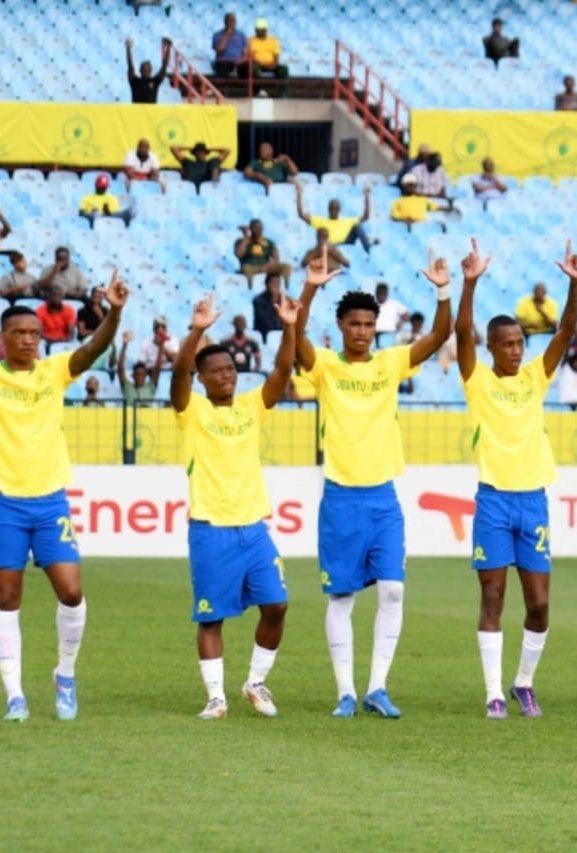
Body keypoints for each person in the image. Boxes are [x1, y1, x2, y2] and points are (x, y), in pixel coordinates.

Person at [0, 259, 128, 722]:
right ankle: (14, 696)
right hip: (6, 503)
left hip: (50, 501)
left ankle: (65, 674)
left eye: (34, 333)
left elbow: (92, 350)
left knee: (71, 591)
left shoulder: (55, 372)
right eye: (19, 333)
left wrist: (114, 314)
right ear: (3, 339)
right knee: (5, 598)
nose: (27, 339)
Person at [295, 243, 454, 719]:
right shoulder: (324, 365)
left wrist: (444, 288)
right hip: (341, 496)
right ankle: (345, 691)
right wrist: (310, 288)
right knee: (341, 596)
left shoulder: (391, 362)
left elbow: (443, 332)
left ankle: (377, 687)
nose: (362, 332)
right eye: (354, 325)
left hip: (383, 496)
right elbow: (293, 334)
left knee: (393, 590)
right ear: (340, 328)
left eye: (369, 324)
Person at [455, 242, 577, 718]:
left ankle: (523, 682)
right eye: (507, 344)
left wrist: (574, 283)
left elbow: (567, 331)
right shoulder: (477, 380)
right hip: (493, 500)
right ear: (491, 348)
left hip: (534, 500)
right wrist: (469, 283)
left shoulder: (534, 378)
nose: (515, 350)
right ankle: (492, 692)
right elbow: (462, 330)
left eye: (519, 344)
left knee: (541, 603)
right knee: (492, 595)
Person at [171, 277, 307, 719]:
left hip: (253, 528)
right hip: (210, 527)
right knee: (211, 617)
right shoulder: (192, 411)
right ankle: (216, 695)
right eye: (217, 370)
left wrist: (290, 327)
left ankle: (255, 681)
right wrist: (195, 332)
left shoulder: (251, 406)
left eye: (231, 369)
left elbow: (283, 373)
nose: (227, 375)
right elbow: (177, 377)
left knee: (278, 604)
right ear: (202, 377)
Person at [297, 184, 374, 252]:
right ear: (328, 209)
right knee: (323, 237)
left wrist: (367, 196)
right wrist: (299, 194)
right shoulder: (321, 221)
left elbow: (366, 217)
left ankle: (369, 251)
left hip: (345, 243)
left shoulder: (347, 220)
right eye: (332, 209)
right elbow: (301, 215)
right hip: (330, 245)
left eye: (336, 209)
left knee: (357, 226)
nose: (334, 211)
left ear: (339, 210)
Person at [125, 38, 170, 105]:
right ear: (140, 71)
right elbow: (130, 64)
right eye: (143, 69)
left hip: (151, 114)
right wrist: (128, 48)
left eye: (147, 70)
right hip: (136, 114)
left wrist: (168, 49)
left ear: (150, 70)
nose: (145, 71)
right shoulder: (135, 81)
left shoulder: (155, 81)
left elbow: (164, 65)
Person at [211, 12, 248, 77]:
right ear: (225, 22)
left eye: (233, 20)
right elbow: (219, 49)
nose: (231, 23)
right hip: (223, 62)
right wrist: (227, 35)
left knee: (246, 67)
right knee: (223, 67)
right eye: (229, 20)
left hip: (238, 62)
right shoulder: (217, 35)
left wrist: (242, 60)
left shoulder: (241, 35)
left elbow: (245, 53)